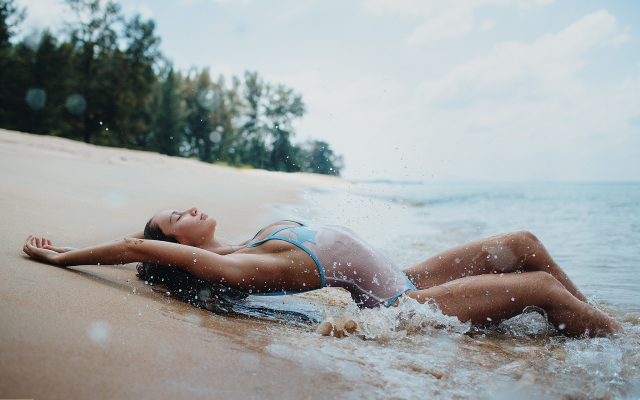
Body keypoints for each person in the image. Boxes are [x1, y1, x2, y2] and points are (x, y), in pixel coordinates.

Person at [23, 207, 621, 338]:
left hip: (407, 279)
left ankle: (598, 324)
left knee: (522, 242)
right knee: (539, 290)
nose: (186, 210)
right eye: (173, 219)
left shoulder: (250, 239)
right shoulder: (239, 266)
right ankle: (619, 346)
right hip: (403, 309)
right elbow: (137, 248)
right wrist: (59, 257)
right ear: (176, 246)